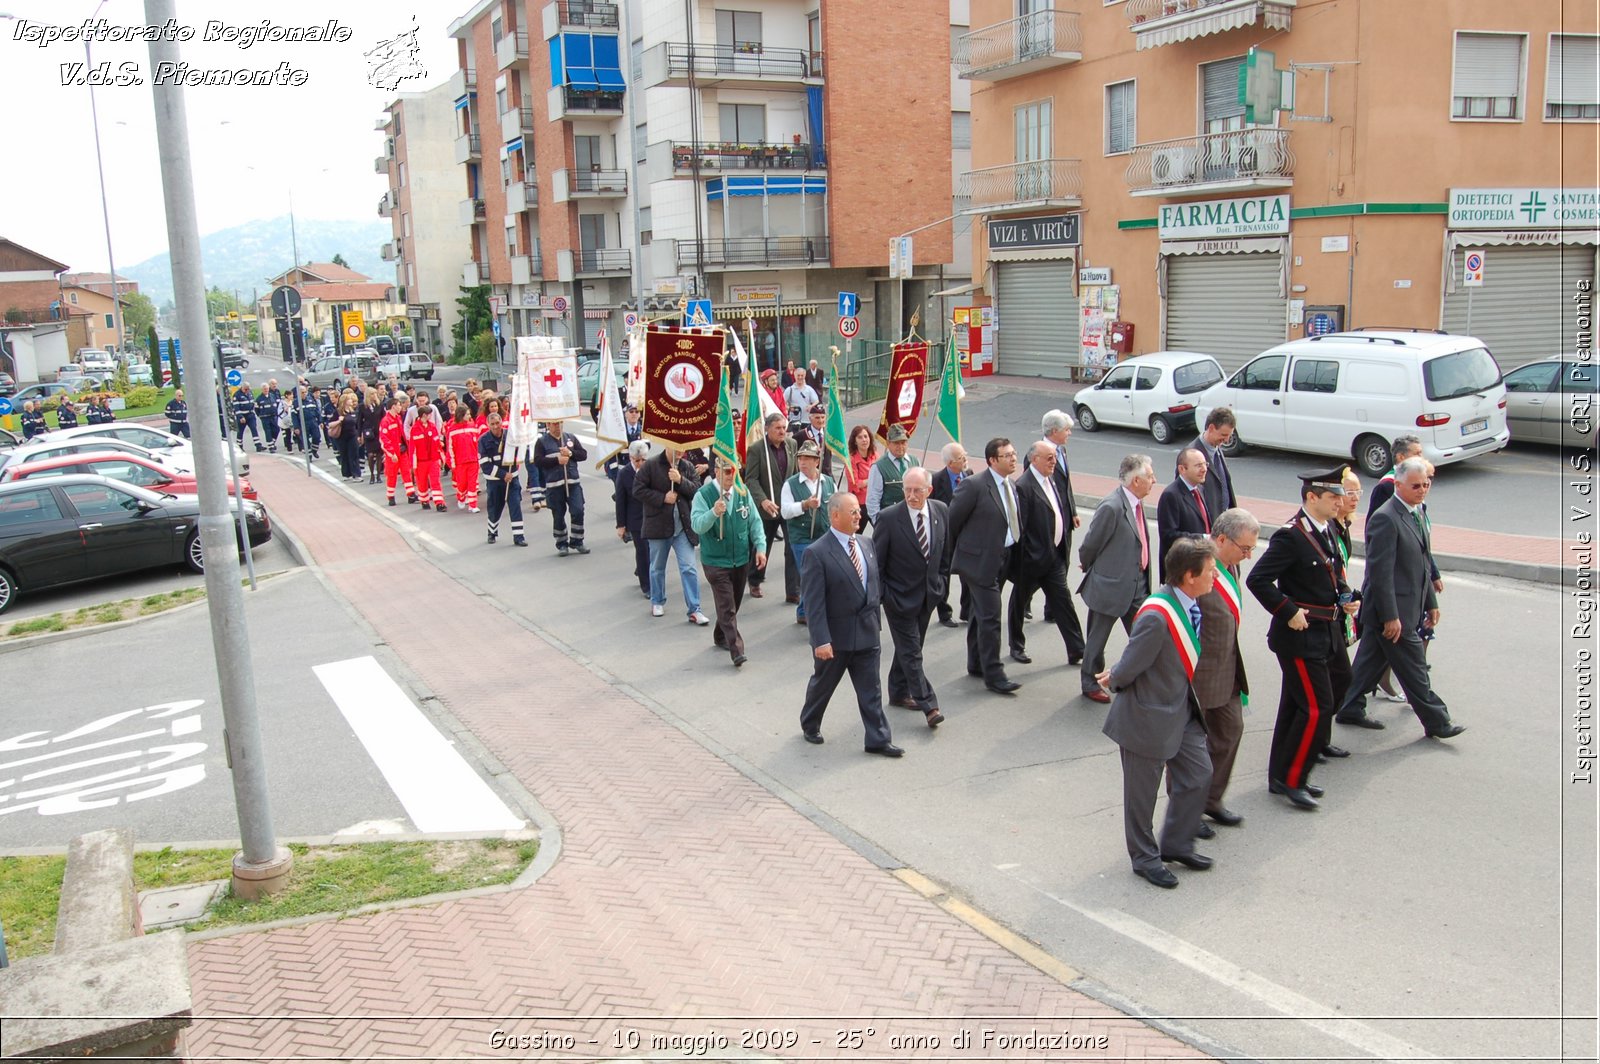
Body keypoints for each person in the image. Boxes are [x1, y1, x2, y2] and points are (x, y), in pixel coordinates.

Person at [1097, 536, 1219, 889]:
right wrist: (1115, 681)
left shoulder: (1188, 603)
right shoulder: (1157, 615)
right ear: (1188, 576)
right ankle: (1145, 858)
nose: (1215, 577)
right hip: (1147, 718)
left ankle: (1177, 843)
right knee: (1141, 795)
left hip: (1181, 710)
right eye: (1210, 571)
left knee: (1199, 774)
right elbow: (1132, 662)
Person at [1245, 467, 1360, 810]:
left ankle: (1280, 775)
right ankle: (1296, 778)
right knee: (1316, 707)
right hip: (1300, 636)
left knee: (1305, 701)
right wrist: (1287, 610)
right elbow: (1259, 580)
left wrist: (1348, 596)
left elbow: (1332, 573)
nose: (1341, 502)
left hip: (1328, 630)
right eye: (1333, 496)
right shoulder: (1290, 536)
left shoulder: (1327, 530)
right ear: (1312, 497)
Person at [1337, 458, 1465, 739]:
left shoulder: (1415, 512)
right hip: (1392, 612)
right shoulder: (1386, 518)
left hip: (1406, 606)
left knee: (1369, 661)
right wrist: (1391, 616)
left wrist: (1430, 601)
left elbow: (1421, 562)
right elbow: (1380, 574)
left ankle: (1349, 706)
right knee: (1414, 668)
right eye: (1416, 485)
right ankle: (1437, 721)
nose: (1423, 490)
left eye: (1426, 484)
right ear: (1397, 485)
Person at [799, 493, 901, 758]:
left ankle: (878, 738)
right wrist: (820, 640)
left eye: (858, 511)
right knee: (823, 684)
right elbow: (814, 602)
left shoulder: (867, 544)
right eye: (853, 511)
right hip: (836, 638)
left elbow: (873, 584)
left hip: (867, 633)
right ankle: (810, 722)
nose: (859, 516)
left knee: (871, 690)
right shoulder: (817, 552)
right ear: (835, 516)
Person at [1193, 508, 1259, 834]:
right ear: (1221, 539)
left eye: (1251, 549)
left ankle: (1211, 799)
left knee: (1231, 730)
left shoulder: (1230, 565)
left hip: (1229, 667)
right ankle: (1187, 812)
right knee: (1191, 746)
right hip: (1200, 673)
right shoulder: (1196, 564)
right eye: (1244, 548)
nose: (1247, 556)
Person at [871, 466, 948, 728]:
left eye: (917, 490)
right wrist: (884, 597)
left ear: (929, 490)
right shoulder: (889, 518)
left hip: (928, 595)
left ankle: (898, 691)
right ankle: (929, 704)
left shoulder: (940, 511)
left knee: (910, 649)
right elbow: (876, 565)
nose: (912, 496)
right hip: (898, 599)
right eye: (907, 490)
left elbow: (943, 551)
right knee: (913, 652)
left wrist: (942, 584)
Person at [1078, 454, 1157, 705]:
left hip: (1137, 586)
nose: (1154, 480)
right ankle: (1090, 682)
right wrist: (1093, 568)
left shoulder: (1136, 503)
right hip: (1111, 587)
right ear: (1135, 481)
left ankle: (1138, 678)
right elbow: (1090, 545)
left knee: (1144, 636)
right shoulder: (1112, 507)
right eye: (1150, 476)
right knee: (1097, 641)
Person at [947, 437, 1023, 695]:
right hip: (978, 563)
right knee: (991, 617)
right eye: (1007, 456)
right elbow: (952, 522)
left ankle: (976, 663)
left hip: (1003, 557)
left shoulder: (1010, 485)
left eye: (1014, 454)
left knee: (981, 616)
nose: (1013, 459)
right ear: (992, 460)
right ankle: (995, 674)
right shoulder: (974, 486)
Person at [1007, 441, 1086, 667]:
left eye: (1054, 457)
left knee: (1063, 602)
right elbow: (1020, 528)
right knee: (1019, 602)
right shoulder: (1024, 486)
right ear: (1034, 460)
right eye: (1049, 458)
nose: (1054, 462)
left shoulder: (1050, 479)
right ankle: (1016, 645)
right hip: (1031, 560)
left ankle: (1077, 649)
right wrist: (1026, 558)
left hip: (1053, 557)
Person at [692, 456, 767, 665]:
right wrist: (714, 512)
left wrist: (760, 547)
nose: (731, 476)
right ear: (716, 471)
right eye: (726, 471)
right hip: (715, 561)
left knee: (733, 603)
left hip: (740, 558)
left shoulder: (742, 493)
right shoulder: (703, 495)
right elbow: (697, 525)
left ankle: (719, 634)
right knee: (727, 606)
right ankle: (736, 650)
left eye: (735, 471)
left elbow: (754, 522)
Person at [634, 443, 708, 623]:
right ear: (668, 445)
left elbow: (697, 490)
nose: (680, 453)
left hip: (682, 527)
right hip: (659, 526)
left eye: (683, 449)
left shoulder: (686, 466)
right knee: (657, 567)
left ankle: (694, 608)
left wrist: (680, 481)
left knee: (689, 567)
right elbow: (638, 490)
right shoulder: (651, 465)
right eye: (677, 449)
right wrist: (662, 498)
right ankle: (657, 600)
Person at [742, 412, 798, 603]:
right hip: (767, 508)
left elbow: (795, 474)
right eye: (778, 428)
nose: (783, 431)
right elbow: (750, 479)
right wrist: (763, 500)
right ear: (767, 429)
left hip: (788, 506)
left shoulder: (792, 445)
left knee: (792, 547)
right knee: (762, 546)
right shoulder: (757, 449)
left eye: (784, 427)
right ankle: (755, 579)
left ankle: (793, 590)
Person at [780, 440, 837, 623]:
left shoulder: (827, 482)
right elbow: (786, 511)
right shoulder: (790, 484)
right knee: (811, 575)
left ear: (817, 461)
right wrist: (804, 505)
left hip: (825, 537)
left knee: (823, 575)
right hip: (802, 538)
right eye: (801, 458)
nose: (803, 462)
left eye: (808, 458)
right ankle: (812, 613)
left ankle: (805, 609)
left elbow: (835, 507)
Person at [534, 420, 590, 556]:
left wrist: (570, 453)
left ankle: (577, 540)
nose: (557, 426)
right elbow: (538, 461)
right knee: (558, 516)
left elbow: (583, 454)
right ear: (548, 425)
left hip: (573, 483)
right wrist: (556, 460)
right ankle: (562, 543)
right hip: (554, 485)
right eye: (554, 424)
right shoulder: (542, 442)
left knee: (578, 510)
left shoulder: (570, 438)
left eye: (559, 423)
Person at [1156, 448, 1212, 583]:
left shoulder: (1200, 489)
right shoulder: (1171, 495)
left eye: (1205, 464)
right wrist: (1203, 538)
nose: (1204, 469)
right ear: (1182, 469)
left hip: (1199, 565)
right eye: (1198, 466)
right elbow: (1168, 536)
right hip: (1181, 571)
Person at [930, 441, 969, 627]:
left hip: (967, 534)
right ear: (950, 463)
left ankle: (967, 610)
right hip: (945, 534)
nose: (965, 460)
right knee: (944, 573)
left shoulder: (968, 475)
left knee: (968, 572)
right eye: (961, 458)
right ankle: (944, 612)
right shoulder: (937, 480)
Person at [478, 412, 527, 546]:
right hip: (495, 481)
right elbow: (485, 465)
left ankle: (519, 536)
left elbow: (520, 452)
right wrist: (502, 474)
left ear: (501, 422)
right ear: (488, 425)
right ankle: (492, 532)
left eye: (497, 423)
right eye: (492, 424)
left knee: (515, 506)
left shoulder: (510, 437)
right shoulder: (483, 440)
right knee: (494, 508)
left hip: (512, 480)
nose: (495, 427)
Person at [614, 440, 650, 596]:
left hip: (652, 517)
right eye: (637, 460)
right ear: (630, 458)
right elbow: (620, 501)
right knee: (643, 550)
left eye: (643, 460)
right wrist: (621, 525)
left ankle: (642, 570)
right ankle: (647, 586)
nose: (640, 463)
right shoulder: (624, 474)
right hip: (635, 519)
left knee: (652, 551)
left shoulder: (651, 470)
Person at [1188, 407, 1237, 521]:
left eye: (1229, 435)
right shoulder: (1190, 455)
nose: (1226, 440)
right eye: (1224, 435)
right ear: (1211, 428)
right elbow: (1187, 498)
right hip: (1208, 526)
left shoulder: (1216, 447)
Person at [407, 394, 446, 510]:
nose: (430, 416)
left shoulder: (432, 427)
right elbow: (412, 448)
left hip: (433, 459)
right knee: (422, 482)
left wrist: (441, 456)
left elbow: (436, 442)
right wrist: (413, 464)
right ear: (424, 415)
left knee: (435, 482)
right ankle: (424, 500)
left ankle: (439, 503)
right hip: (421, 461)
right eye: (429, 414)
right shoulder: (415, 429)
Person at [865, 424, 912, 522]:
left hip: (912, 519)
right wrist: (878, 523)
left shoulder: (915, 462)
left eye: (903, 443)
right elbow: (872, 500)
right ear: (888, 443)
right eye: (896, 443)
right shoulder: (878, 467)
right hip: (890, 521)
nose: (900, 447)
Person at [378, 397, 414, 506]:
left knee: (406, 473)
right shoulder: (385, 421)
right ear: (393, 406)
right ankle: (391, 497)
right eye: (399, 405)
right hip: (393, 453)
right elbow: (384, 439)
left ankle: (411, 495)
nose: (400, 407)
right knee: (392, 475)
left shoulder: (398, 418)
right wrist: (391, 453)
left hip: (402, 451)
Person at [447, 406, 482, 512]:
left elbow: (477, 444)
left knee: (472, 483)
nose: (470, 416)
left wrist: (479, 457)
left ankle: (473, 505)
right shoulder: (452, 430)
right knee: (462, 484)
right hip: (460, 462)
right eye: (467, 414)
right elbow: (450, 447)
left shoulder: (472, 426)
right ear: (461, 415)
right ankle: (461, 497)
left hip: (473, 460)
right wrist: (452, 462)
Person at [846, 424, 876, 530]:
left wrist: (866, 482)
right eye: (860, 437)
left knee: (882, 530)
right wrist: (872, 480)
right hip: (858, 504)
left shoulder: (875, 456)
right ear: (855, 441)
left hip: (874, 501)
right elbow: (855, 484)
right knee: (855, 534)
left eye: (866, 436)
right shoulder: (851, 459)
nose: (864, 440)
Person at [791, 403, 833, 477]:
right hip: (807, 477)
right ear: (810, 419)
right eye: (817, 418)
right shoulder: (801, 435)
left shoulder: (829, 435)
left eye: (823, 417)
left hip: (826, 477)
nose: (820, 420)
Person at [334, 393, 362, 481]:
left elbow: (357, 424)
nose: (351, 401)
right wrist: (339, 421)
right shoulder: (338, 412)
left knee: (353, 454)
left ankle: (356, 474)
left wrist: (359, 435)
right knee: (344, 454)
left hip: (352, 436)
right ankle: (346, 473)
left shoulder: (352, 411)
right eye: (349, 399)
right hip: (341, 436)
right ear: (345, 401)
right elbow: (330, 424)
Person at [359, 389, 383, 482]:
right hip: (368, 433)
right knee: (370, 454)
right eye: (372, 394)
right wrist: (359, 434)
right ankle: (372, 474)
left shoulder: (379, 405)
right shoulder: (362, 406)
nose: (374, 395)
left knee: (378, 454)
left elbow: (383, 417)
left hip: (378, 432)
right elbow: (359, 421)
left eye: (375, 394)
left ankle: (378, 476)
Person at [232, 384, 263, 451]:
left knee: (254, 429)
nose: (247, 391)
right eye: (245, 389)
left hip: (250, 415)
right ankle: (239, 446)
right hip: (242, 416)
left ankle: (258, 445)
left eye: (248, 389)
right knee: (240, 431)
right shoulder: (237, 395)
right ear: (242, 388)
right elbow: (236, 408)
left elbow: (252, 402)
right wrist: (240, 417)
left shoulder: (250, 393)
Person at [255, 380, 282, 454]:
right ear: (262, 390)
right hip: (265, 418)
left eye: (267, 389)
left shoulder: (272, 396)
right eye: (264, 389)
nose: (266, 390)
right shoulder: (259, 399)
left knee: (276, 429)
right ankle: (271, 447)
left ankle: (272, 442)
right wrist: (260, 415)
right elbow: (256, 409)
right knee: (268, 432)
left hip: (273, 417)